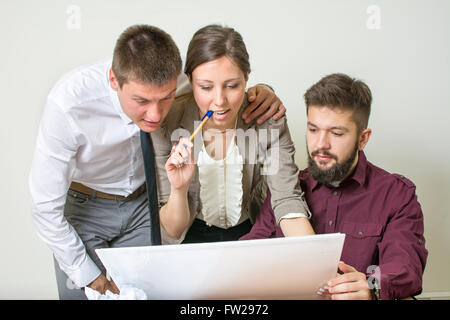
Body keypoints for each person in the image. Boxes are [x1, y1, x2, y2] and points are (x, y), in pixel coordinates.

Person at [29, 24, 286, 300]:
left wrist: (263, 92)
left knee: (151, 294)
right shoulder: (68, 104)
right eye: (141, 101)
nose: (155, 115)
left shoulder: (182, 75)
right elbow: (44, 207)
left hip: (146, 205)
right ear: (114, 80)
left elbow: (222, 82)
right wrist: (88, 275)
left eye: (166, 98)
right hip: (85, 210)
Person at [241, 73, 428, 300]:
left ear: (363, 138)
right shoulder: (286, 188)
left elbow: (405, 267)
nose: (320, 144)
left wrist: (371, 287)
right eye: (313, 130)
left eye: (336, 133)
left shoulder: (397, 194)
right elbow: (249, 254)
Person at [151, 25, 315, 244]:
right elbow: (172, 229)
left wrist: (320, 262)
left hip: (250, 232)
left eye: (232, 86)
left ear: (247, 78)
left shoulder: (268, 120)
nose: (219, 101)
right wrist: (178, 189)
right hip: (189, 235)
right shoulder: (167, 124)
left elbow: (287, 199)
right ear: (190, 81)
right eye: (206, 87)